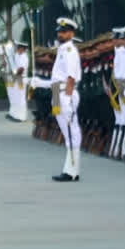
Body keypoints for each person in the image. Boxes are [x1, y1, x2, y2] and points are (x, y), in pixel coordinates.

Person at [51, 17, 83, 182]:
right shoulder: (62, 50)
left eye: (64, 32)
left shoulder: (70, 50)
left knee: (72, 132)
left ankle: (72, 171)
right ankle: (70, 169)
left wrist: (69, 100)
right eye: (59, 32)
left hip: (65, 94)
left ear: (71, 33)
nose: (61, 34)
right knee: (66, 132)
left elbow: (71, 77)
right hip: (57, 92)